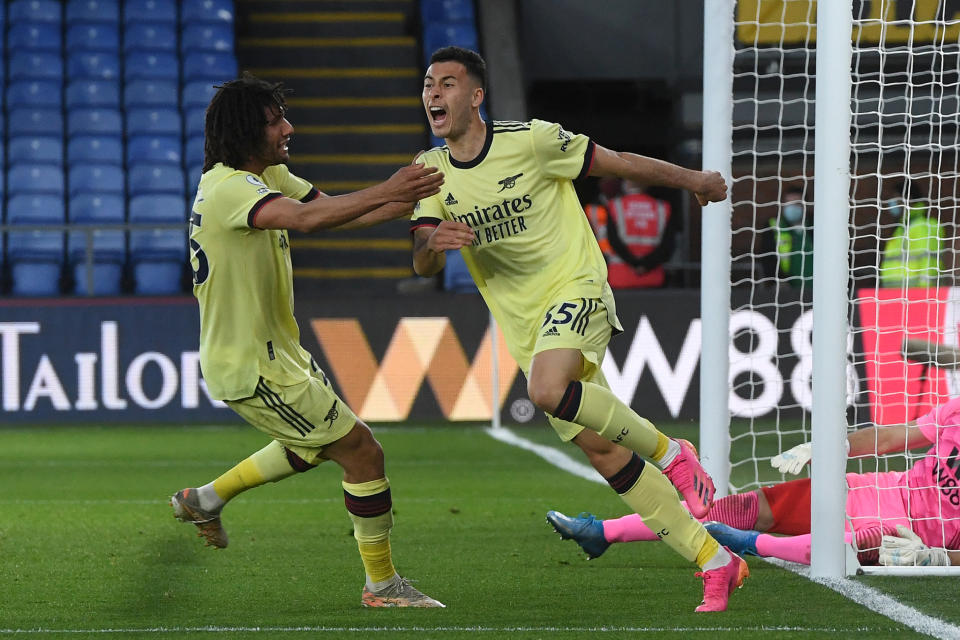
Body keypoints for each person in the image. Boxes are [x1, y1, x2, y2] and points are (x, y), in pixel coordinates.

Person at [410, 46, 746, 612]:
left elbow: (616, 162)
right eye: (428, 85)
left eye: (446, 84)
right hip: (525, 324)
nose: (433, 94)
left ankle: (671, 451)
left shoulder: (533, 140)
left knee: (545, 390)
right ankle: (715, 562)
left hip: (577, 286)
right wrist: (432, 248)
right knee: (604, 450)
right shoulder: (429, 172)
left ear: (475, 96)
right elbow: (420, 257)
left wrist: (692, 179)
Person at [170, 73, 446, 608]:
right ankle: (382, 586)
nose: (288, 129)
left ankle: (205, 498)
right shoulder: (230, 187)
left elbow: (335, 209)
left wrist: (427, 196)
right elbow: (307, 220)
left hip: (279, 355)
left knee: (313, 446)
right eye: (276, 122)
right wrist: (393, 188)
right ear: (248, 130)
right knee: (362, 453)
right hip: (253, 366)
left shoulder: (263, 173)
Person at [547, 397, 960, 567]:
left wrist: (939, 559)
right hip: (876, 490)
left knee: (851, 550)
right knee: (739, 509)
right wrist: (833, 445)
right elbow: (891, 438)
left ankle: (753, 546)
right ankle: (603, 532)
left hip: (913, 536)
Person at [584, 179, 679, 288]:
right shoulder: (662, 207)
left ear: (626, 183)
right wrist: (645, 265)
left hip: (620, 276)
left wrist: (634, 263)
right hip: (653, 277)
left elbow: (613, 240)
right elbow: (668, 245)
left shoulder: (615, 205)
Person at [879, 181, 944, 288]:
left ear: (908, 199)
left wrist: (925, 294)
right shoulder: (901, 228)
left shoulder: (923, 226)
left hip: (915, 296)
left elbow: (928, 263)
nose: (892, 202)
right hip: (893, 295)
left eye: (896, 197)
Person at [760, 185, 813, 290]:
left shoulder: (817, 224)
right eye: (788, 204)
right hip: (787, 290)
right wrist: (778, 281)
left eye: (797, 204)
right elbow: (767, 258)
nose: (792, 208)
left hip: (817, 288)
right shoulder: (773, 226)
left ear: (805, 206)